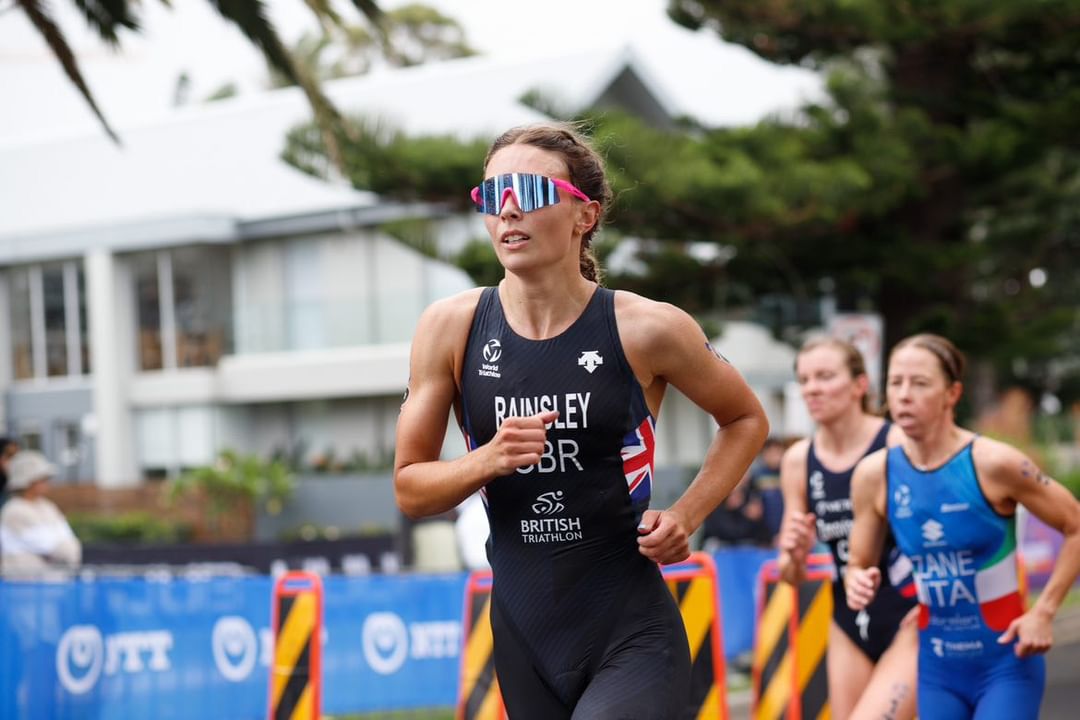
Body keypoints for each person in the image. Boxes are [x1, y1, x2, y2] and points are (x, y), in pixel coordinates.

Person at [393, 122, 769, 719]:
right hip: (523, 634)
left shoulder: (647, 327)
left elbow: (746, 418)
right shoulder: (450, 327)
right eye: (493, 195)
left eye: (531, 192)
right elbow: (410, 487)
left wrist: (685, 516)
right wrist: (486, 459)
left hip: (631, 632)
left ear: (583, 216)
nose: (509, 209)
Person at [846, 334, 1080, 720]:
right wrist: (858, 579)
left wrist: (1045, 611)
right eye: (895, 381)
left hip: (1006, 662)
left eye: (919, 383)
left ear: (952, 393)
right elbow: (859, 561)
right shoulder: (875, 475)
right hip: (937, 670)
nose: (904, 394)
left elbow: (1074, 524)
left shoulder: (994, 463)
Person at [777, 336, 917, 720]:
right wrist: (795, 552)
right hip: (848, 623)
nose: (812, 388)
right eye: (804, 379)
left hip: (910, 616)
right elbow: (791, 575)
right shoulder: (798, 460)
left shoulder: (898, 443)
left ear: (860, 385)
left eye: (824, 376)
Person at [0, 449, 82, 577]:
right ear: (28, 481)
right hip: (21, 585)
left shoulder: (48, 506)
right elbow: (48, 545)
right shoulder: (14, 510)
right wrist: (64, 550)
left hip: (52, 583)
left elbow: (68, 542)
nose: (47, 483)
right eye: (42, 479)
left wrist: (67, 550)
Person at [701, 467, 772, 549]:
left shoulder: (753, 496)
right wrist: (731, 510)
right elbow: (718, 532)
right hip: (720, 547)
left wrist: (756, 518)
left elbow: (764, 534)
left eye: (745, 472)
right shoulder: (716, 497)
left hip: (748, 548)